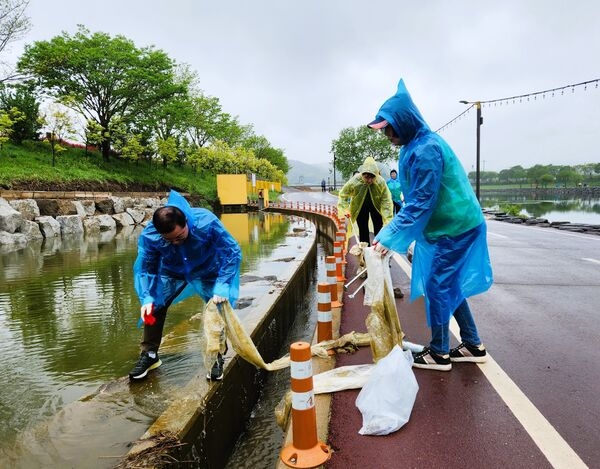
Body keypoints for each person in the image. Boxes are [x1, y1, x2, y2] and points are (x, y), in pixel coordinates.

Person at [367, 79, 493, 371]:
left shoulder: (425, 149)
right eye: (384, 129)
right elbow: (416, 200)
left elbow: (422, 202)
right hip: (449, 226)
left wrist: (388, 236)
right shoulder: (414, 145)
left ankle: (439, 352)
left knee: (438, 286)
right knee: (449, 284)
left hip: (456, 226)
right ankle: (473, 343)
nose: (386, 134)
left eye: (389, 127)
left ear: (404, 122)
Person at [129, 190, 242, 381]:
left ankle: (216, 356)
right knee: (154, 306)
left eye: (180, 237)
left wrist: (222, 284)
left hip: (209, 269)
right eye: (169, 240)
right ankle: (149, 354)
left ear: (186, 224)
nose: (175, 243)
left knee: (217, 308)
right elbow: (147, 268)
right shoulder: (151, 235)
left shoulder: (206, 223)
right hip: (173, 271)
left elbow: (231, 252)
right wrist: (147, 296)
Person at [337, 156, 394, 246]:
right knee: (363, 229)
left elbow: (386, 199)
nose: (369, 180)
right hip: (360, 207)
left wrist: (388, 217)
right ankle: (365, 252)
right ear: (362, 174)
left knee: (379, 228)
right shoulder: (355, 181)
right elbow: (343, 194)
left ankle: (377, 249)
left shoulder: (380, 182)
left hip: (376, 207)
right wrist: (345, 209)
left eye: (372, 177)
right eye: (367, 177)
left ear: (376, 175)